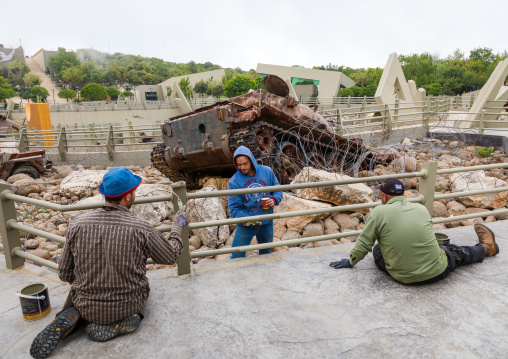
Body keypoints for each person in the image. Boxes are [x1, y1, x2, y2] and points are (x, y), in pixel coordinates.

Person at [30, 167, 189, 358]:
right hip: (129, 304)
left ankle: (73, 316)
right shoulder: (141, 228)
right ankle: (122, 321)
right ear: (128, 196)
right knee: (141, 287)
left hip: (85, 305)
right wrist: (177, 225)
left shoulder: (77, 224)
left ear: (104, 194)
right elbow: (170, 255)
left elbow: (64, 274)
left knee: (77, 288)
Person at [330, 178, 499, 284]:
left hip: (402, 277)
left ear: (383, 196)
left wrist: (351, 261)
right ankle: (486, 248)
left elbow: (365, 243)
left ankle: (404, 265)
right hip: (437, 272)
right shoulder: (420, 209)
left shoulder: (377, 213)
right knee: (455, 252)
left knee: (378, 250)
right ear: (403, 194)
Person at [228, 146, 283, 258]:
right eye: (238, 164)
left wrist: (274, 200)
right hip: (246, 224)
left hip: (266, 221)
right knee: (236, 256)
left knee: (266, 254)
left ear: (252, 160)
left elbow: (277, 189)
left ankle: (266, 275)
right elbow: (234, 210)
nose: (242, 167)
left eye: (245, 163)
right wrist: (251, 220)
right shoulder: (234, 181)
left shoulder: (267, 172)